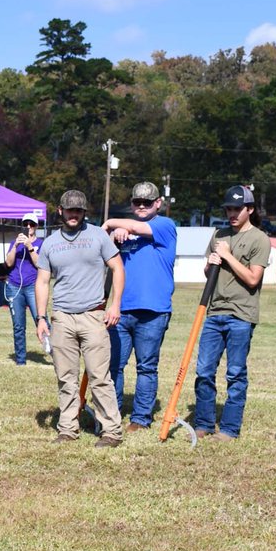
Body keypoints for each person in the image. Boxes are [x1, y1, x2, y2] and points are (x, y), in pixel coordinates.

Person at [35, 190, 124, 448]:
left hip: (93, 315)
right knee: (66, 377)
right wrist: (41, 318)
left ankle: (111, 431)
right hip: (62, 317)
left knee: (99, 377)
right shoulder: (50, 243)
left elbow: (118, 268)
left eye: (78, 210)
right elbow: (42, 281)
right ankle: (67, 429)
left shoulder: (98, 236)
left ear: (85, 212)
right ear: (60, 211)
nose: (73, 214)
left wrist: (114, 305)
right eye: (69, 210)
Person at [192, 185, 270, 442]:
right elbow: (208, 272)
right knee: (204, 370)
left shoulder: (259, 238)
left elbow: (252, 278)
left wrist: (227, 255)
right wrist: (211, 263)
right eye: (228, 209)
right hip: (214, 312)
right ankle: (203, 423)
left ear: (250, 209)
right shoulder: (219, 234)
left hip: (241, 315)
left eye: (237, 209)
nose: (232, 213)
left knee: (235, 373)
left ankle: (229, 429)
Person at [102, 182, 177, 431]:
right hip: (121, 309)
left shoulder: (165, 225)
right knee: (114, 365)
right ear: (132, 204)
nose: (142, 206)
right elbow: (106, 258)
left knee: (146, 367)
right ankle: (111, 414)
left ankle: (140, 419)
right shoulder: (124, 232)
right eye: (137, 202)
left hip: (154, 311)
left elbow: (135, 226)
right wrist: (114, 235)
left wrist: (113, 222)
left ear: (158, 203)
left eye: (148, 202)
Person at [2, 212, 45, 365]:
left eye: (31, 224)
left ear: (36, 227)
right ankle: (21, 359)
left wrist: (30, 247)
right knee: (18, 325)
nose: (28, 227)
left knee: (41, 320)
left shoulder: (40, 244)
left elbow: (40, 264)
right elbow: (8, 263)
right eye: (25, 224)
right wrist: (15, 246)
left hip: (33, 287)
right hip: (14, 286)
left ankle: (53, 351)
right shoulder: (15, 243)